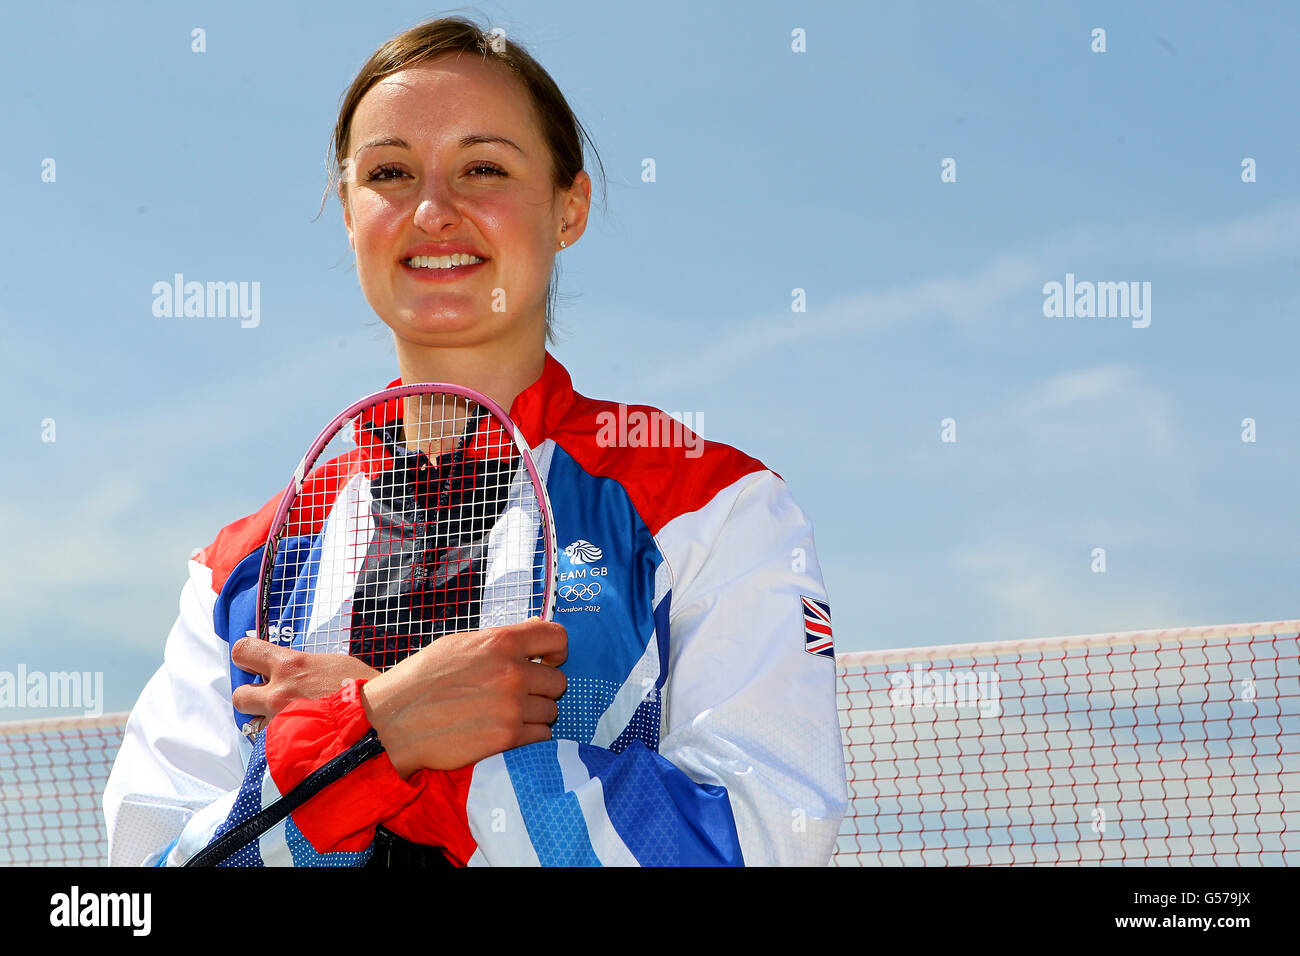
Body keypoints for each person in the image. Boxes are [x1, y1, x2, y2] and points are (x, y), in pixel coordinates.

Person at [103, 16, 847, 867]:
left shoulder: (716, 507)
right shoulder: (234, 569)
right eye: (388, 173)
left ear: (570, 208)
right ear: (348, 215)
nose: (433, 210)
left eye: (483, 167)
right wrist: (375, 727)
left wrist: (413, 755)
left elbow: (762, 841)